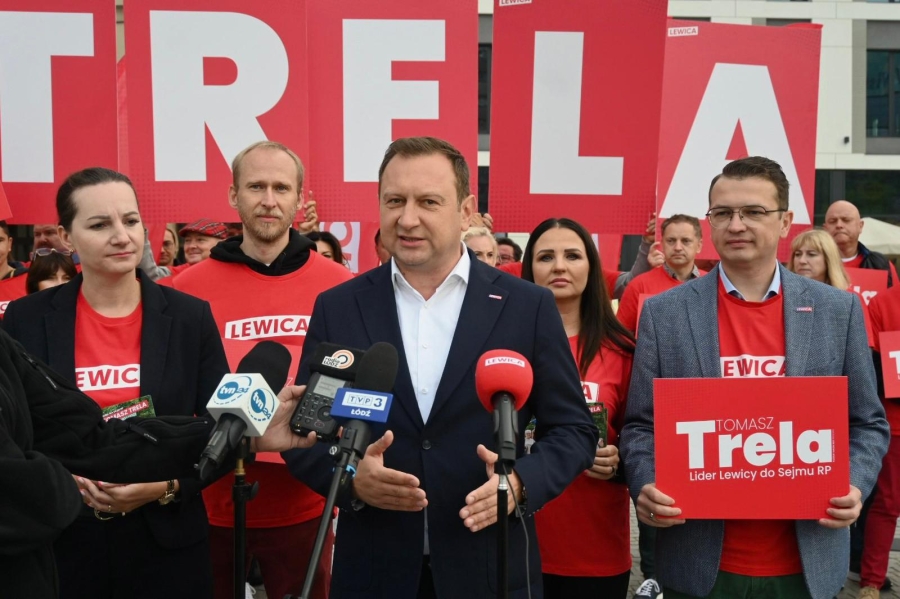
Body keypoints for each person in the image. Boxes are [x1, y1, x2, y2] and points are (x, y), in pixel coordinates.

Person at [284, 136, 597, 599]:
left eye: (428, 202)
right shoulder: (339, 306)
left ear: (466, 211)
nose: (407, 218)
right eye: (395, 201)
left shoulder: (526, 306)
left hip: (489, 570)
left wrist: (520, 483)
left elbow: (573, 429)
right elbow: (306, 432)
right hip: (373, 571)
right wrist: (350, 480)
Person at [620, 156, 889, 599]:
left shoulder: (837, 311)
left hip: (806, 564)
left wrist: (855, 484)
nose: (736, 224)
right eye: (722, 213)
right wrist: (645, 481)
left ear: (785, 222)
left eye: (753, 212)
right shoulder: (664, 314)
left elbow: (868, 423)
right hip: (699, 563)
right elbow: (640, 426)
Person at [4, 167, 231, 599]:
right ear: (66, 237)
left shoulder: (190, 317)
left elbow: (225, 430)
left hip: (167, 546)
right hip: (63, 545)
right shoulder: (26, 319)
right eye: (99, 225)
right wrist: (62, 482)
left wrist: (166, 488)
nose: (122, 236)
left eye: (130, 220)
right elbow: (15, 434)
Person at [0, 322, 317, 599]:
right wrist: (74, 488)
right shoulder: (25, 318)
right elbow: (25, 494)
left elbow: (92, 440)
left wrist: (239, 435)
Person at [170, 140, 353, 599]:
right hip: (209, 502)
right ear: (234, 195)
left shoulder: (340, 286)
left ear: (300, 198)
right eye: (255, 187)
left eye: (281, 188)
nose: (269, 200)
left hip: (305, 503)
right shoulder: (184, 288)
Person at [521, 217, 635, 598]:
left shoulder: (623, 351)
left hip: (595, 554)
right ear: (528, 268)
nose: (559, 266)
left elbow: (646, 439)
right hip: (514, 546)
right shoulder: (500, 346)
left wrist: (618, 465)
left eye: (572, 255)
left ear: (592, 266)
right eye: (545, 257)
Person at [857, 284, 900, 599]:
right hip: (895, 421)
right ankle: (871, 580)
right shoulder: (883, 303)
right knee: (888, 503)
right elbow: (872, 367)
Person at [617, 214, 707, 333]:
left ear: (699, 246)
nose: (678, 247)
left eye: (685, 241)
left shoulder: (713, 284)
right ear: (662, 244)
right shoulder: (639, 286)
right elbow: (620, 336)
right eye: (671, 241)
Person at [823, 200, 897, 287]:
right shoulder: (812, 264)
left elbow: (894, 295)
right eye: (832, 221)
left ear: (860, 226)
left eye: (846, 220)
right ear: (825, 228)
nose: (839, 225)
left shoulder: (881, 264)